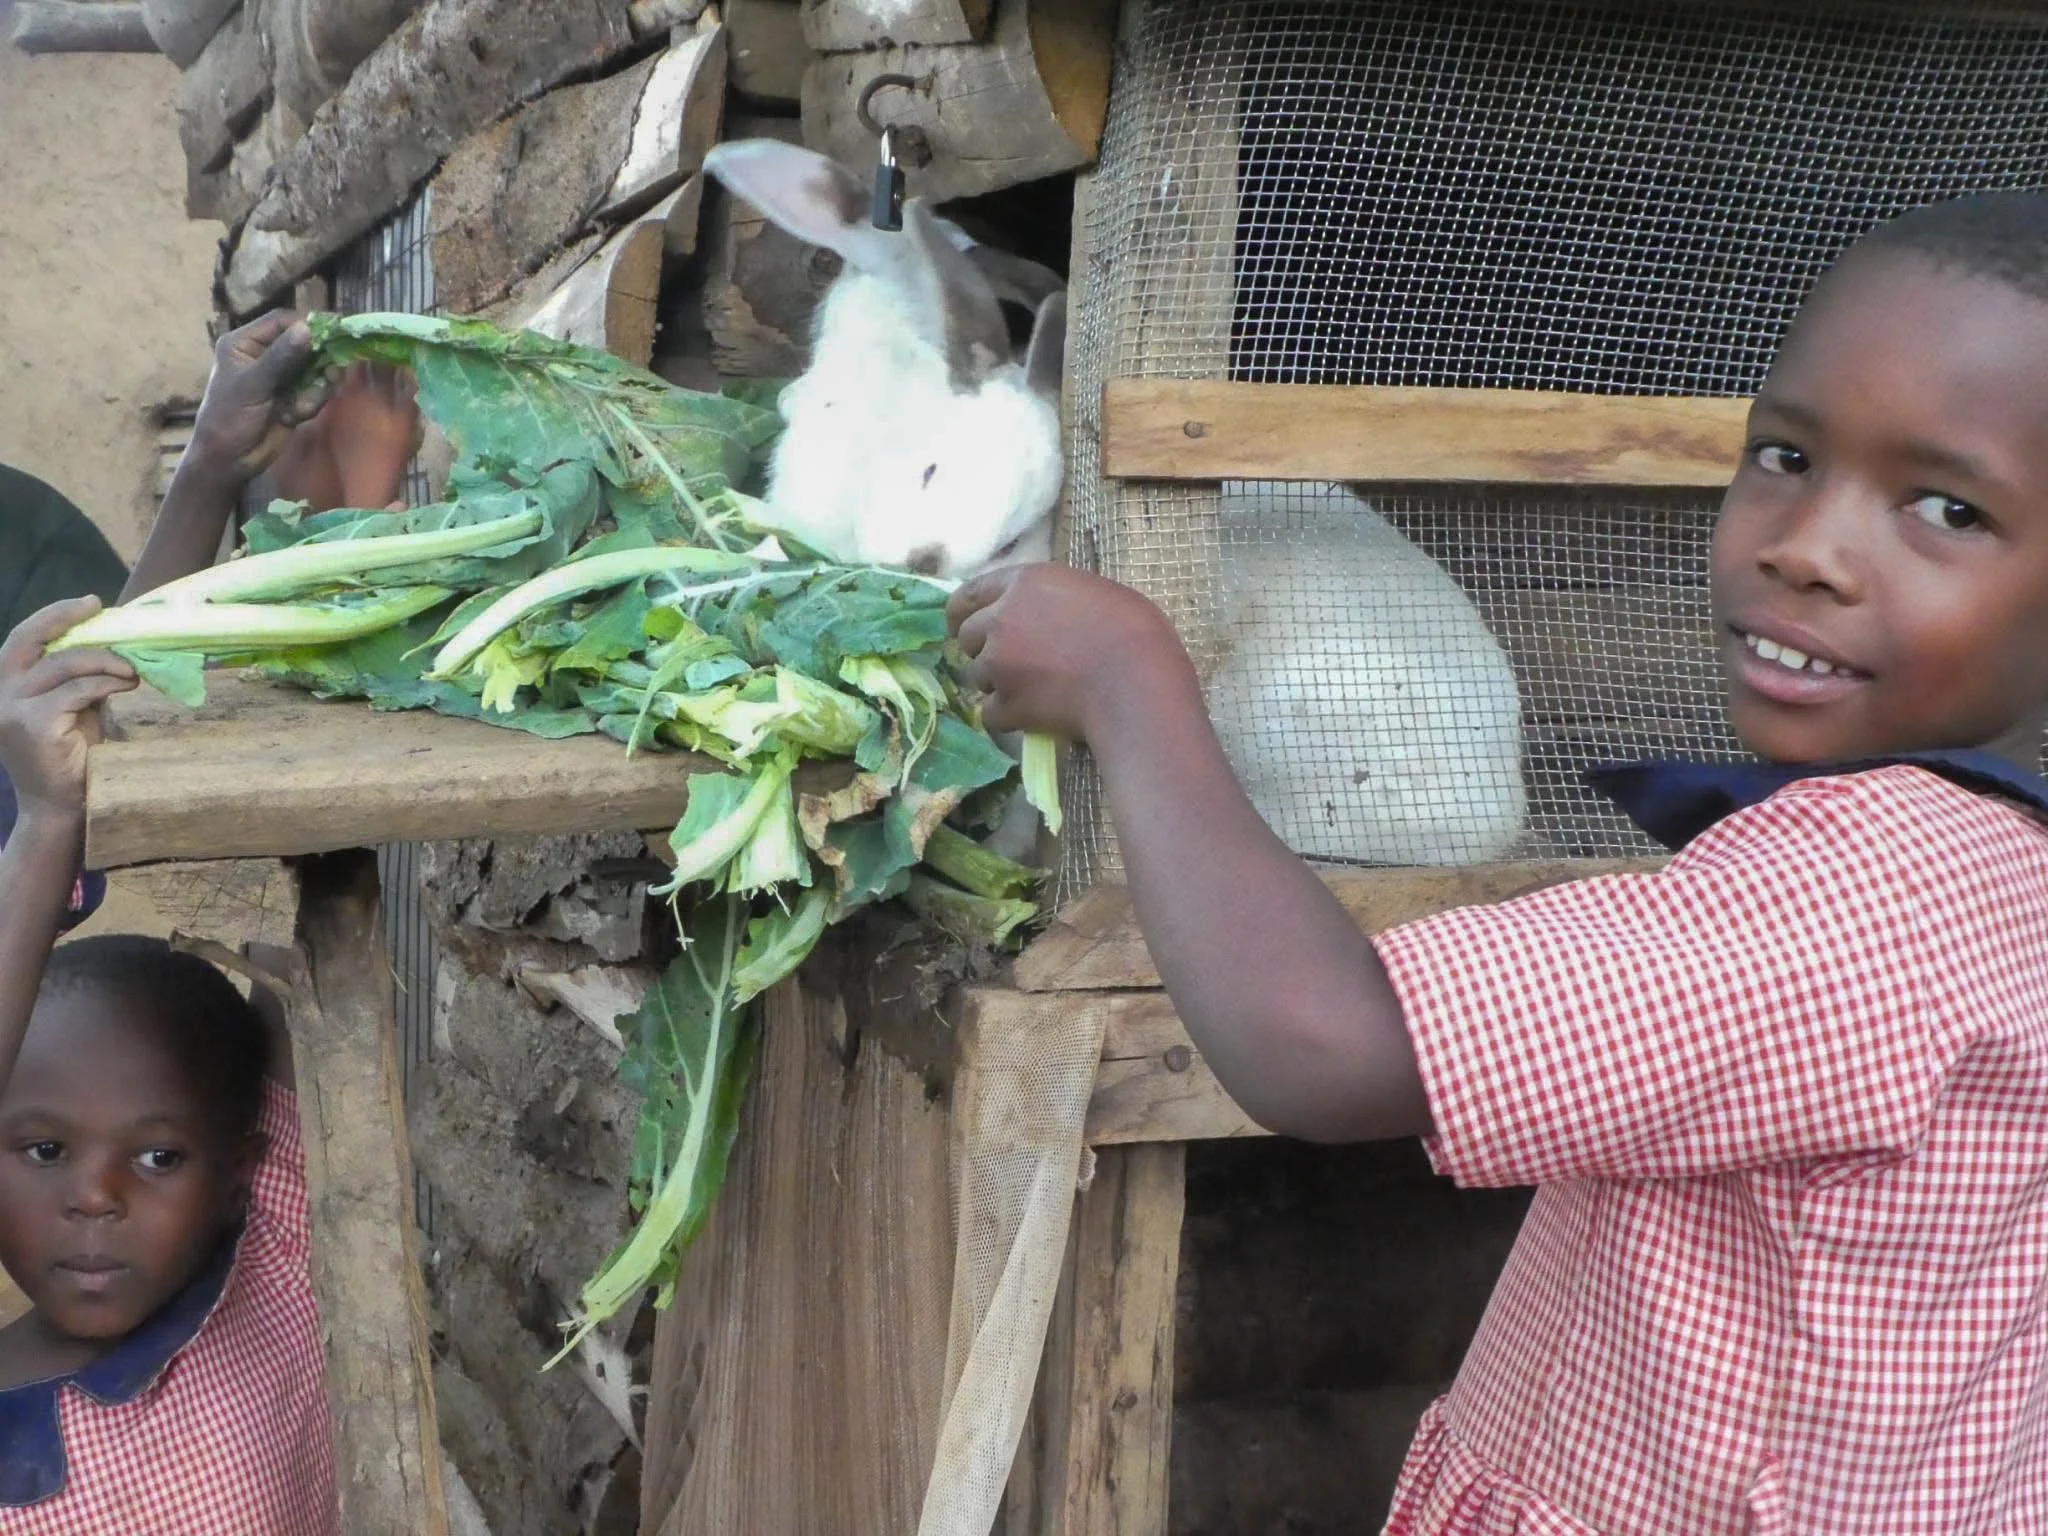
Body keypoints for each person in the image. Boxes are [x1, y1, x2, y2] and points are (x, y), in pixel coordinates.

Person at [948, 192, 2048, 1532]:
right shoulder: (2001, 872)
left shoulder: (1860, 905)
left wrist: (1131, 682)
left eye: (1946, 508)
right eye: (1785, 455)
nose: (1806, 548)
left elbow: (1323, 1045)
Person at [0, 311, 423, 936]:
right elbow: (81, 790)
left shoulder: (23, 532)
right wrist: (358, 501)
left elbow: (124, 687)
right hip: (47, 965)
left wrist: (215, 458)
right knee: (141, 1014)